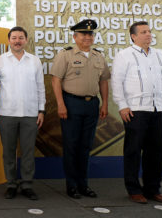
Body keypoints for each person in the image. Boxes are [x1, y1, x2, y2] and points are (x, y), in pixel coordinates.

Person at [111, 21, 162, 204]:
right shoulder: (124, 55)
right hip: (135, 110)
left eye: (149, 31)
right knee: (133, 151)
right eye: (144, 32)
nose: (148, 35)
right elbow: (117, 82)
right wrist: (122, 105)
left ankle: (153, 189)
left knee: (156, 152)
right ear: (133, 36)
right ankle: (133, 190)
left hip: (157, 109)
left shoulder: (159, 54)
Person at [51, 19, 110, 199]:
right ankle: (72, 185)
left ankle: (83, 184)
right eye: (84, 34)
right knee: (71, 145)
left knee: (85, 146)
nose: (88, 37)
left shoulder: (99, 56)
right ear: (75, 36)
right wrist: (61, 104)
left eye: (90, 34)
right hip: (71, 103)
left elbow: (103, 81)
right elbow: (56, 80)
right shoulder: (65, 55)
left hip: (92, 104)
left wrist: (105, 103)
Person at [0, 27, 45, 200]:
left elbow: (40, 87)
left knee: (29, 151)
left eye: (21, 38)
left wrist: (41, 110)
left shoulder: (35, 61)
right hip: (7, 113)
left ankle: (27, 185)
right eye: (14, 38)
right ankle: (11, 184)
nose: (17, 41)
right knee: (9, 151)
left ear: (26, 40)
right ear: (9, 40)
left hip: (30, 113)